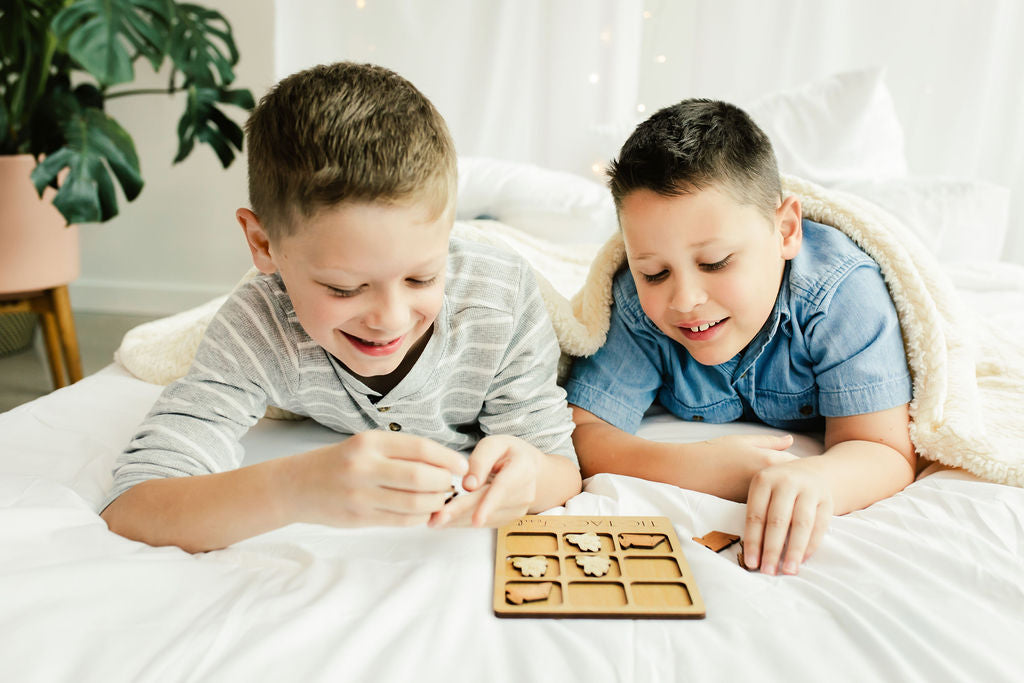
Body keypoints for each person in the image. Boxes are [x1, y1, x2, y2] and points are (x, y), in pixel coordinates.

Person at [100, 62, 581, 553]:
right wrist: (295, 487)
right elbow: (134, 506)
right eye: (344, 288)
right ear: (262, 243)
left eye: (421, 277)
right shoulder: (260, 327)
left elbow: (560, 470)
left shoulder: (498, 299)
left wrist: (530, 478)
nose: (390, 318)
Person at [565, 99, 916, 576]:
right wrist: (694, 467)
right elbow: (580, 432)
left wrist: (818, 478)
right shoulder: (634, 304)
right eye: (654, 272)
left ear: (786, 230)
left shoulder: (840, 295)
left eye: (716, 263)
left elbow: (886, 450)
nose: (685, 299)